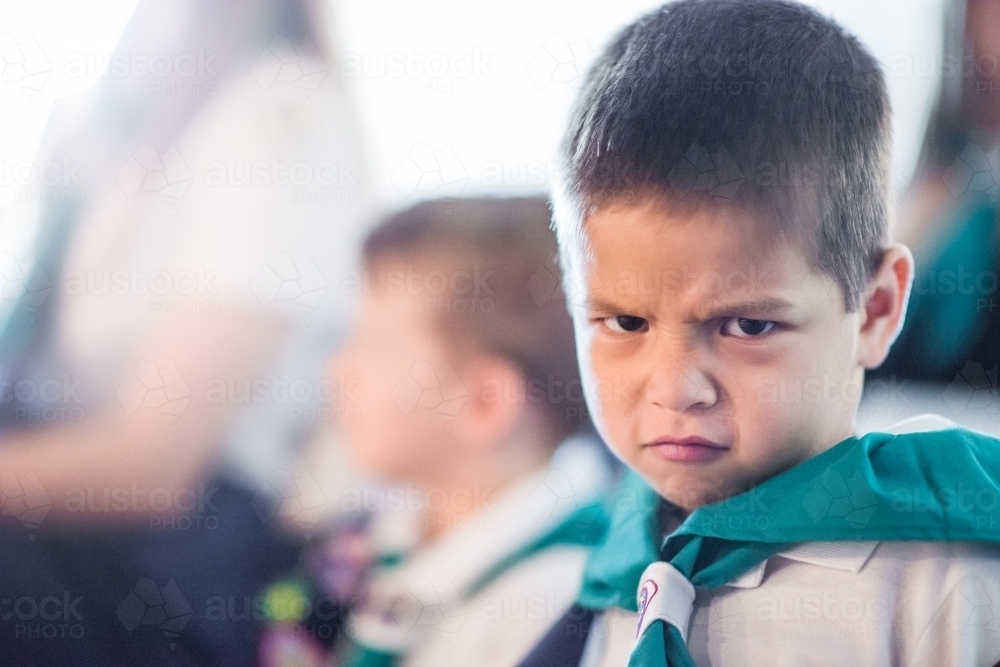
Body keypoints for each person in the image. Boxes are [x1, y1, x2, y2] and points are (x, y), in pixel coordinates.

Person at [516, 1, 1000, 666]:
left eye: (746, 325)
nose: (676, 388)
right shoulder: (588, 584)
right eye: (626, 321)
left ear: (877, 308)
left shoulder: (947, 586)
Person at [258, 197, 613, 667]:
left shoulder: (552, 598)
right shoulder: (383, 530)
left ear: (485, 404)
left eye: (375, 345)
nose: (337, 369)